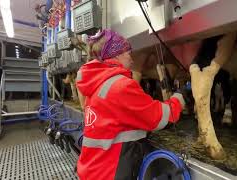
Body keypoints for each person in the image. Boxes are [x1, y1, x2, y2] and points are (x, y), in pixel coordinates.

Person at [75, 29, 185, 180]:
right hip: (110, 174)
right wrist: (178, 99)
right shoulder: (121, 86)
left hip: (92, 170)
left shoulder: (97, 86)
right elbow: (160, 117)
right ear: (116, 54)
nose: (131, 57)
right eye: (128, 52)